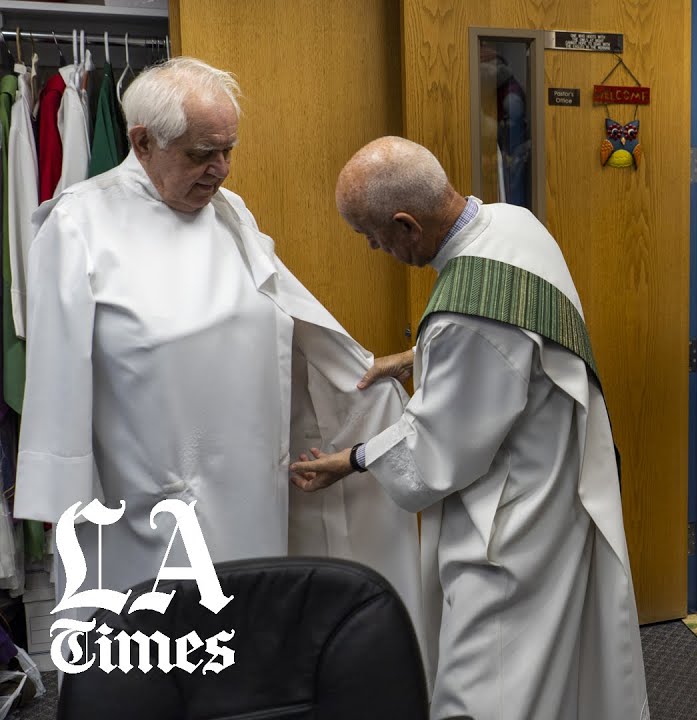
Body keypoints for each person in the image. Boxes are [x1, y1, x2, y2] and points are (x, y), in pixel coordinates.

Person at [14, 58, 423, 645]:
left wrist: (364, 384)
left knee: (249, 642)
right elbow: (57, 375)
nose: (221, 169)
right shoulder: (79, 224)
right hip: (146, 503)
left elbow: (298, 323)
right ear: (142, 142)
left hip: (253, 491)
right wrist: (64, 503)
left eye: (229, 150)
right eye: (203, 154)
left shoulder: (231, 214)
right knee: (161, 652)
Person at [289, 136, 649, 720]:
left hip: (511, 522)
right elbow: (518, 340)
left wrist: (350, 459)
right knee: (554, 669)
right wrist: (417, 357)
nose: (376, 249)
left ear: (406, 225)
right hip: (557, 478)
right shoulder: (515, 225)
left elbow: (437, 453)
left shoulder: (465, 315)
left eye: (373, 236)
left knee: (486, 686)